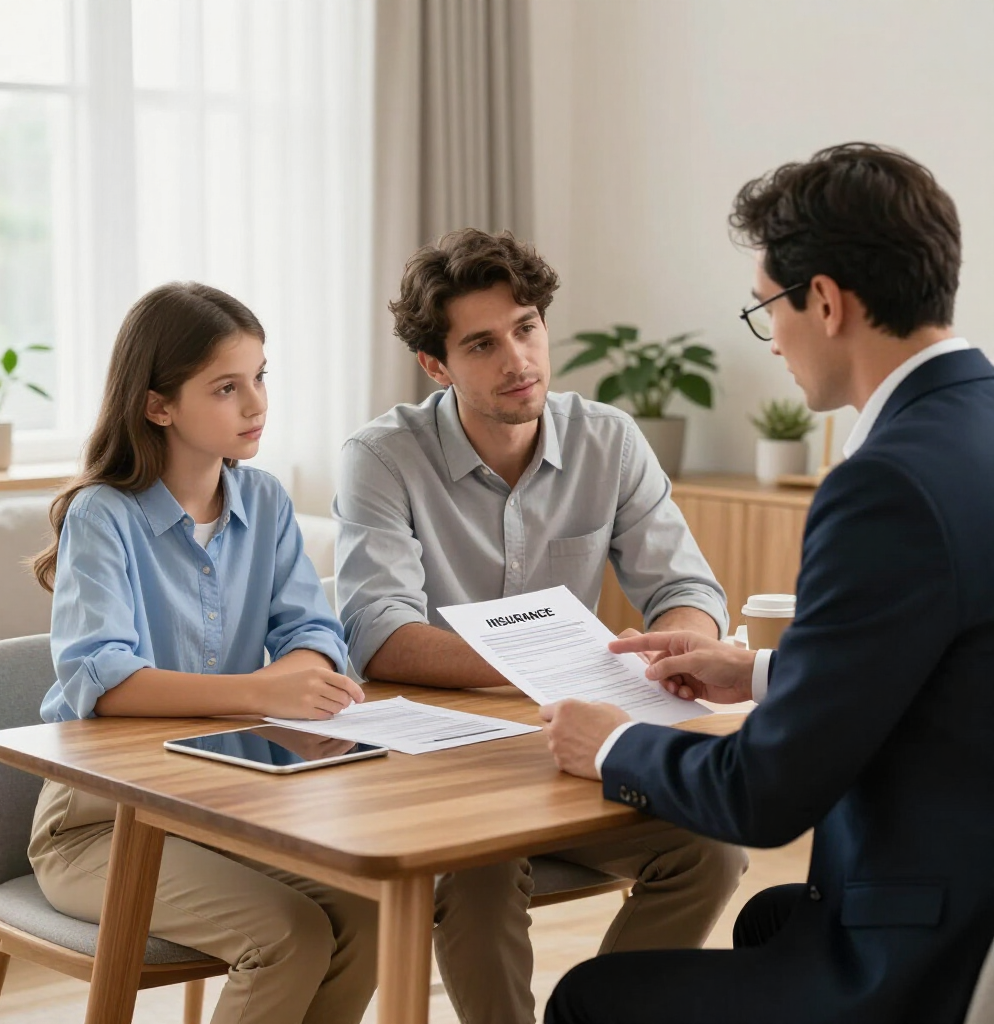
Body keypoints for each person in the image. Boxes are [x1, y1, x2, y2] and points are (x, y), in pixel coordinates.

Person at [542, 142, 994, 1024]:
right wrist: (751, 673)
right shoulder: (974, 426)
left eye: (766, 309)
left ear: (824, 301)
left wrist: (608, 744)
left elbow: (767, 795)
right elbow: (949, 666)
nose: (773, 338)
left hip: (934, 952)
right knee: (768, 920)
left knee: (591, 1001)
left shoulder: (885, 484)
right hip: (966, 883)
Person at [333, 228, 747, 1024]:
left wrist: (686, 640)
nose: (517, 359)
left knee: (710, 850)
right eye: (482, 343)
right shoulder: (382, 457)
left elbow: (687, 587)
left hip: (578, 748)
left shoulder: (609, 438)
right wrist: (542, 665)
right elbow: (378, 635)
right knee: (477, 879)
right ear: (435, 364)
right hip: (446, 766)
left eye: (526, 328)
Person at [29, 282, 377, 1024]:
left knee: (367, 914)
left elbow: (316, 639)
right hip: (102, 824)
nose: (256, 404)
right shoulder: (104, 515)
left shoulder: (270, 503)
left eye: (260, 377)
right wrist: (264, 692)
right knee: (286, 936)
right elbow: (107, 682)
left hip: (228, 807)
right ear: (158, 405)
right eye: (226, 387)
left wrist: (300, 679)